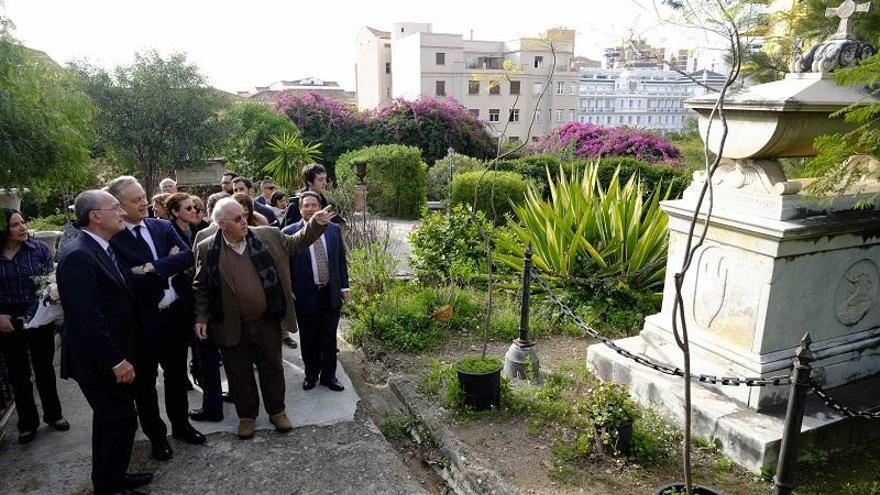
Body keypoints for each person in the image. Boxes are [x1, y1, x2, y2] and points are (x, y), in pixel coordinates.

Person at [192, 197, 334, 439]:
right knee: (239, 373)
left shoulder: (267, 235)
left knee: (273, 368)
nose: (244, 221)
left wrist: (315, 225)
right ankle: (247, 417)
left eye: (244, 216)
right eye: (237, 219)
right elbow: (201, 285)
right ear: (221, 224)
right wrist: (201, 317)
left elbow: (295, 244)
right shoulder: (207, 248)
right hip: (229, 323)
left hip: (267, 319)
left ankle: (277, 411)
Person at [58, 190, 153, 495]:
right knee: (119, 419)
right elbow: (87, 318)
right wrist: (115, 360)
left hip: (112, 355)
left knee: (112, 420)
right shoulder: (78, 255)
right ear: (96, 216)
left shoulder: (100, 247)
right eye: (116, 208)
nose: (123, 213)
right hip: (98, 362)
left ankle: (113, 477)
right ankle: (110, 487)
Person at [105, 176, 204, 462]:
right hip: (142, 324)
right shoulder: (114, 238)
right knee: (145, 385)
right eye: (135, 200)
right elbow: (126, 281)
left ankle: (182, 425)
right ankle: (157, 438)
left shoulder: (161, 226)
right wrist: (164, 268)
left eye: (143, 196)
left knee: (176, 376)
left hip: (175, 317)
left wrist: (150, 268)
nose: (144, 202)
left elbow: (187, 256)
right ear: (119, 206)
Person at [0, 209, 68, 444]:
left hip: (38, 318)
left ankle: (54, 415)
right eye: (15, 225)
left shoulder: (38, 250)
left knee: (44, 370)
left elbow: (49, 282)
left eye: (23, 222)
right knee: (18, 375)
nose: (22, 228)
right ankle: (27, 424)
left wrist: (31, 315)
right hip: (7, 323)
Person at [283, 192, 350, 392]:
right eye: (306, 205)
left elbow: (340, 261)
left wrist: (344, 287)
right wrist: (289, 290)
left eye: (314, 205)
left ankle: (329, 376)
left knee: (329, 338)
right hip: (305, 294)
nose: (310, 209)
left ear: (320, 207)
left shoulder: (333, 230)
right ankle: (311, 374)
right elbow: (284, 266)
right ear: (301, 209)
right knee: (309, 338)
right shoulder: (289, 232)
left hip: (330, 292)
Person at [282, 163, 341, 227]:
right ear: (309, 181)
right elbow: (289, 233)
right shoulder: (295, 205)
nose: (325, 183)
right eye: (320, 180)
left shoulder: (326, 203)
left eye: (325, 179)